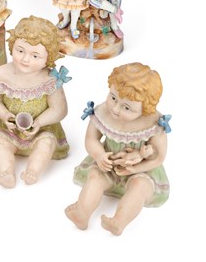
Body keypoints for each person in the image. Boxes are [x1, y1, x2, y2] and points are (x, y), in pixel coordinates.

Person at [66, 62, 171, 235]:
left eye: (127, 107)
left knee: (139, 186)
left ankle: (119, 221)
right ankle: (82, 213)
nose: (115, 109)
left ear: (145, 109)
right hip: (108, 166)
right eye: (113, 98)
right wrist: (100, 156)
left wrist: (138, 161)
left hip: (141, 171)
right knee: (95, 176)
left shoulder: (154, 123)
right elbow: (91, 139)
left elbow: (159, 156)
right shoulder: (103, 112)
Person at [0, 16, 71, 188]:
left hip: (41, 129)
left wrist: (39, 122)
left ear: (49, 57)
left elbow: (59, 109)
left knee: (46, 144)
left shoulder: (50, 79)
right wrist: (4, 114)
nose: (25, 59)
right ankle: (6, 172)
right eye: (20, 51)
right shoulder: (2, 73)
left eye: (35, 55)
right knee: (0, 142)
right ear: (12, 45)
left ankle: (33, 171)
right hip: (8, 127)